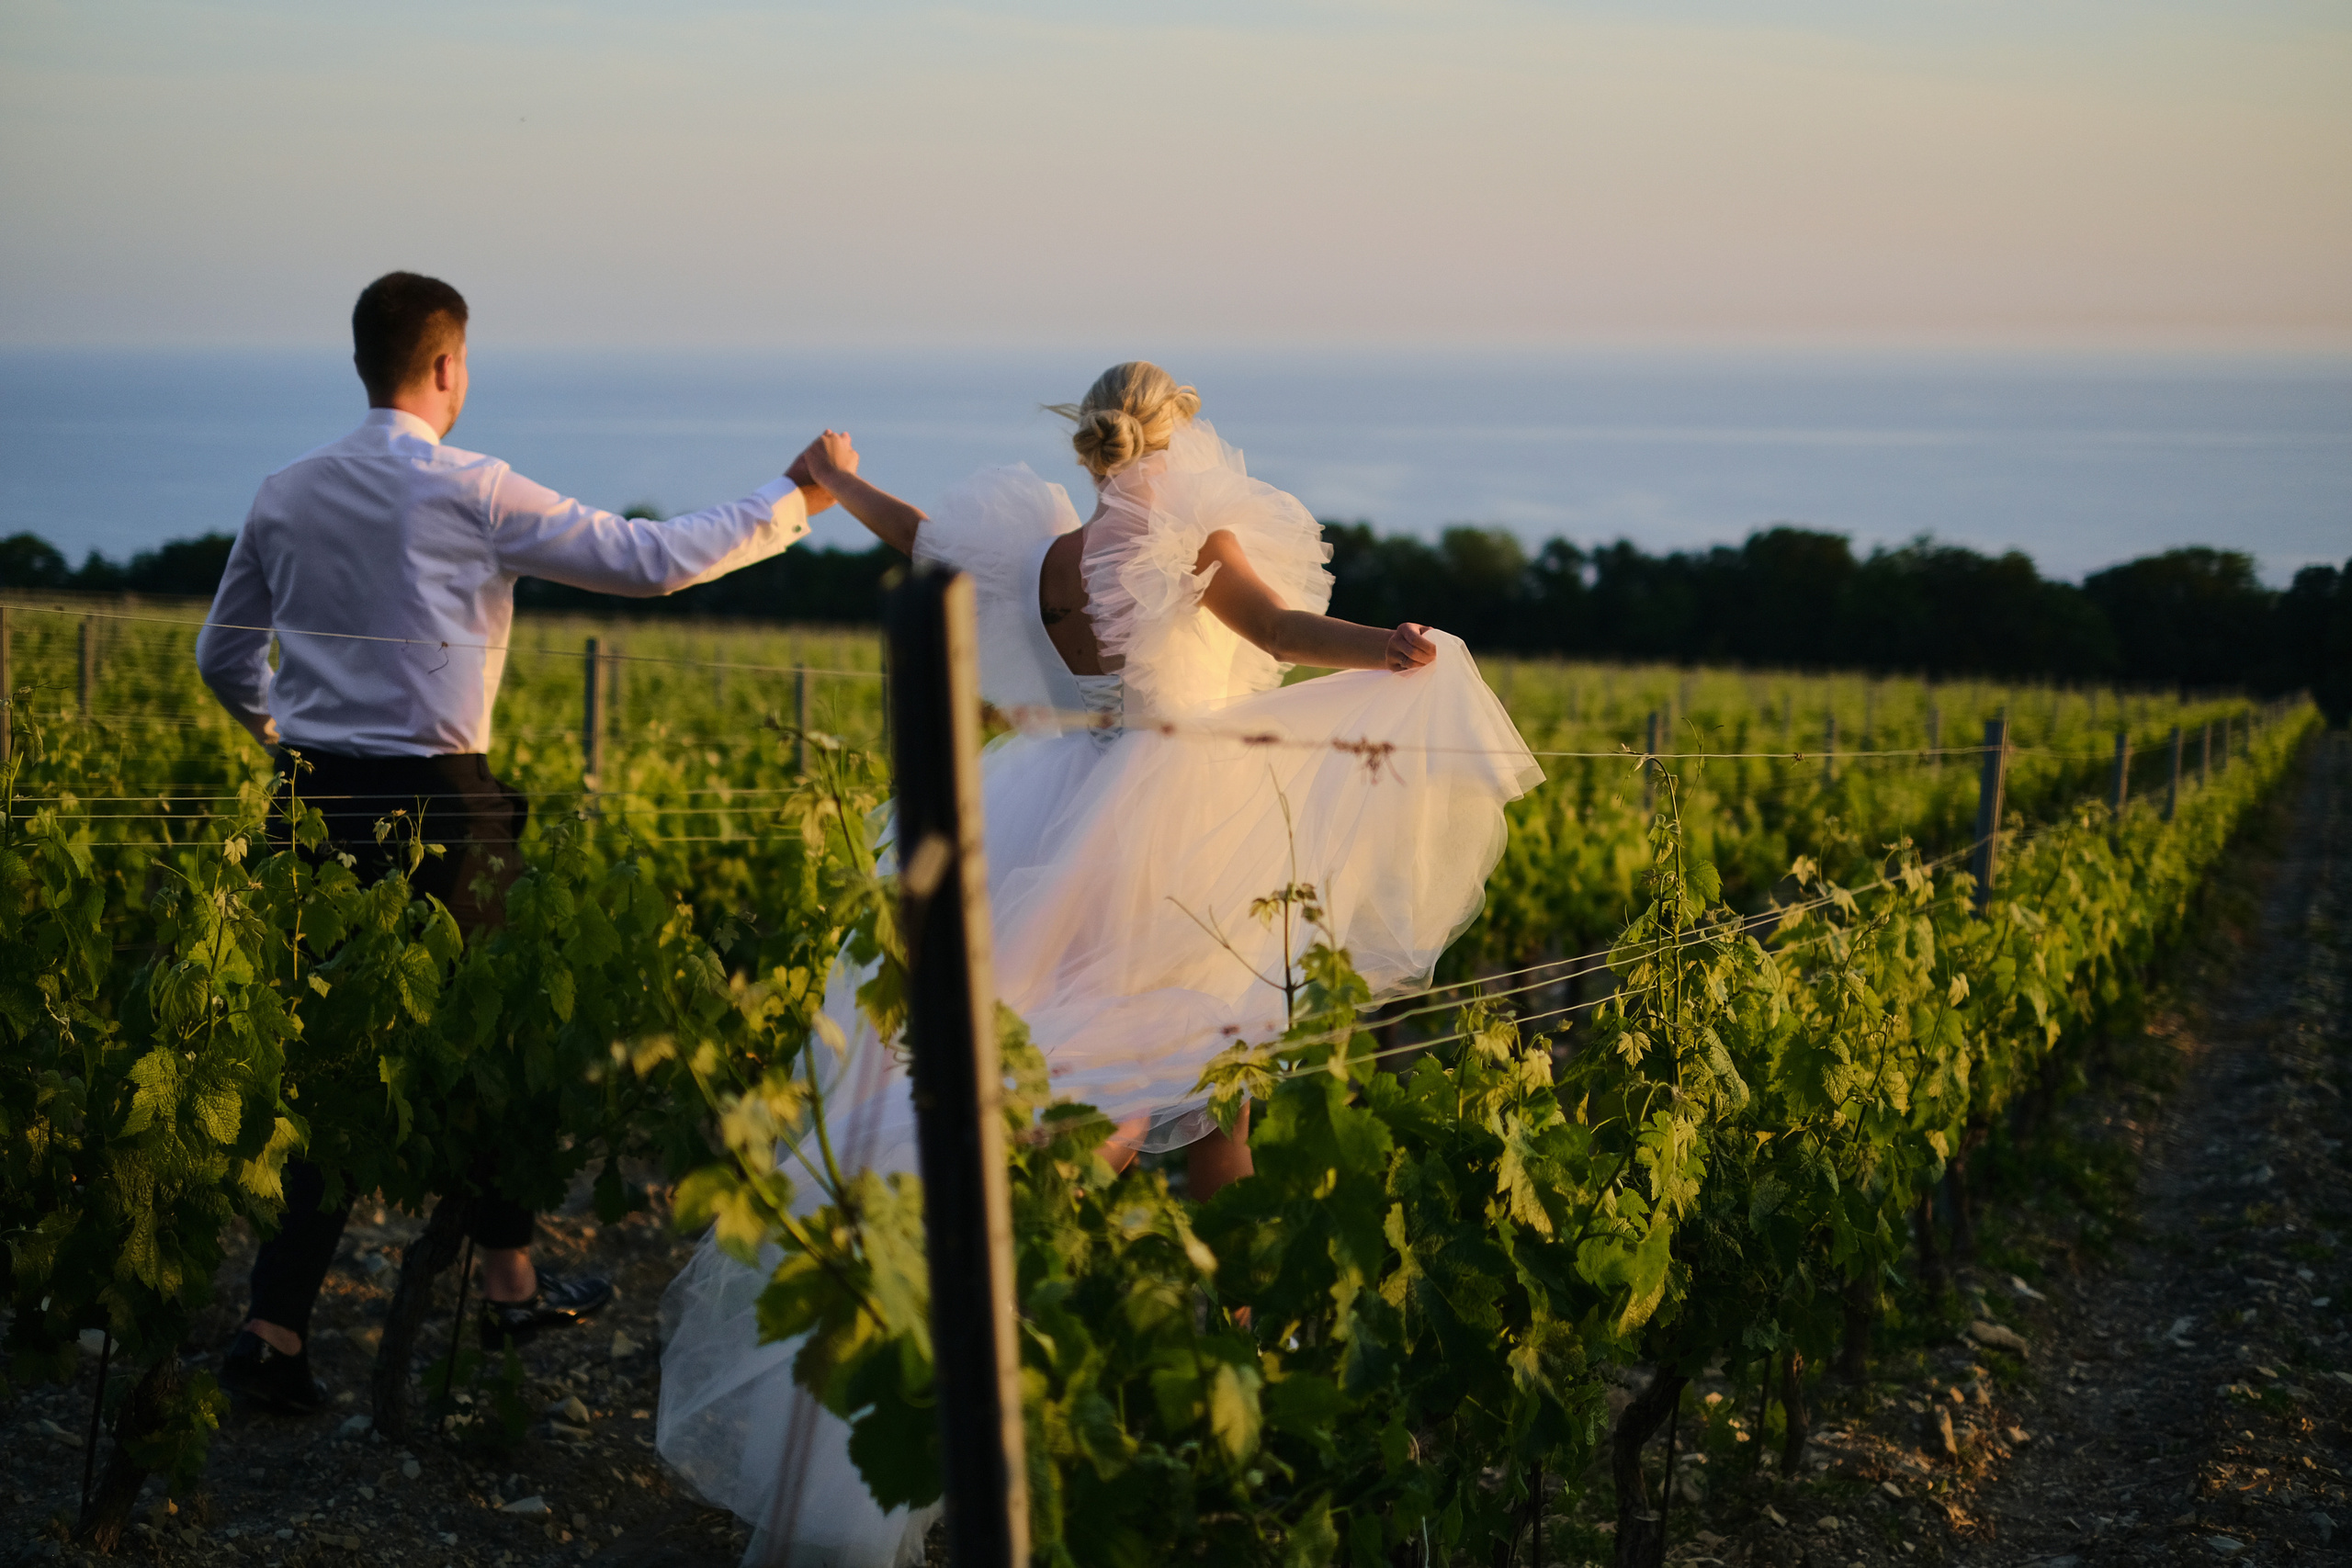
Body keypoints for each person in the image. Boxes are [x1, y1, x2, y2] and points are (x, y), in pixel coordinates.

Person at [655, 363, 1541, 1565]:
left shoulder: (1043, 555)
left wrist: (836, 478)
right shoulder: (1186, 534)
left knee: (1077, 1067)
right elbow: (1279, 630)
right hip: (1173, 828)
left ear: (1092, 442)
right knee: (1184, 1079)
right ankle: (1237, 1368)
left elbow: (922, 540)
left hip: (1061, 819)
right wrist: (1388, 647)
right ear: (1173, 436)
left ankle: (1031, 1318)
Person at [195, 271, 834, 1412]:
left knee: (329, 1049)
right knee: (477, 1037)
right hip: (445, 803)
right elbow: (651, 561)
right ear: (448, 367)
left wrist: (290, 739)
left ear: (362, 364)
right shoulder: (472, 487)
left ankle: (281, 1327)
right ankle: (506, 1290)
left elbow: (222, 660)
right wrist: (792, 500)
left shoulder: (282, 492)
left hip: (309, 799)